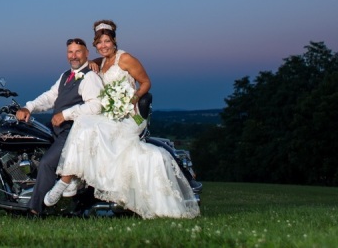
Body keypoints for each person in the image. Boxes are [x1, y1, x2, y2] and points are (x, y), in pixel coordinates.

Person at [45, 20, 200, 219]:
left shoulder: (125, 59)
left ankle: (67, 180)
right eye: (99, 43)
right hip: (111, 115)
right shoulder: (99, 63)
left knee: (87, 124)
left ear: (114, 41)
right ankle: (73, 177)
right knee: (83, 121)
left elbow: (146, 82)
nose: (103, 46)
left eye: (107, 41)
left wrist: (133, 98)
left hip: (132, 116)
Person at [15, 37, 103, 216]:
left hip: (73, 131)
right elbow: (50, 96)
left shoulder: (90, 77)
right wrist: (28, 107)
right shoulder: (66, 75)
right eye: (70, 52)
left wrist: (65, 114)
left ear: (87, 53)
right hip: (57, 128)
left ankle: (35, 210)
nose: (74, 56)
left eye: (78, 52)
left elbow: (96, 106)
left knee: (47, 163)